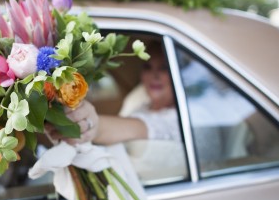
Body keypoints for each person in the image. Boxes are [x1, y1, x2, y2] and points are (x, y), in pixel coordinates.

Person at [45, 44, 181, 145]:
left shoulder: (179, 119)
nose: (154, 75)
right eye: (148, 67)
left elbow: (132, 128)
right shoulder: (138, 105)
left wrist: (90, 123)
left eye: (164, 68)